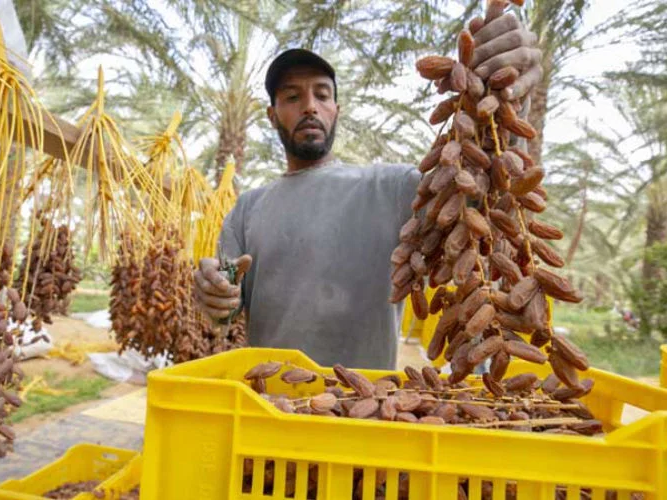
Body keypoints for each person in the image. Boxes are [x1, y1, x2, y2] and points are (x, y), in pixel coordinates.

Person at [193, 14, 543, 370]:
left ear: (337, 110)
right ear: (272, 115)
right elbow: (224, 307)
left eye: (322, 95)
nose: (309, 106)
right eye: (292, 96)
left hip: (366, 400)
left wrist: (507, 101)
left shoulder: (393, 188)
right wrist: (213, 291)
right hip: (269, 396)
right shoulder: (247, 209)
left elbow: (479, 194)